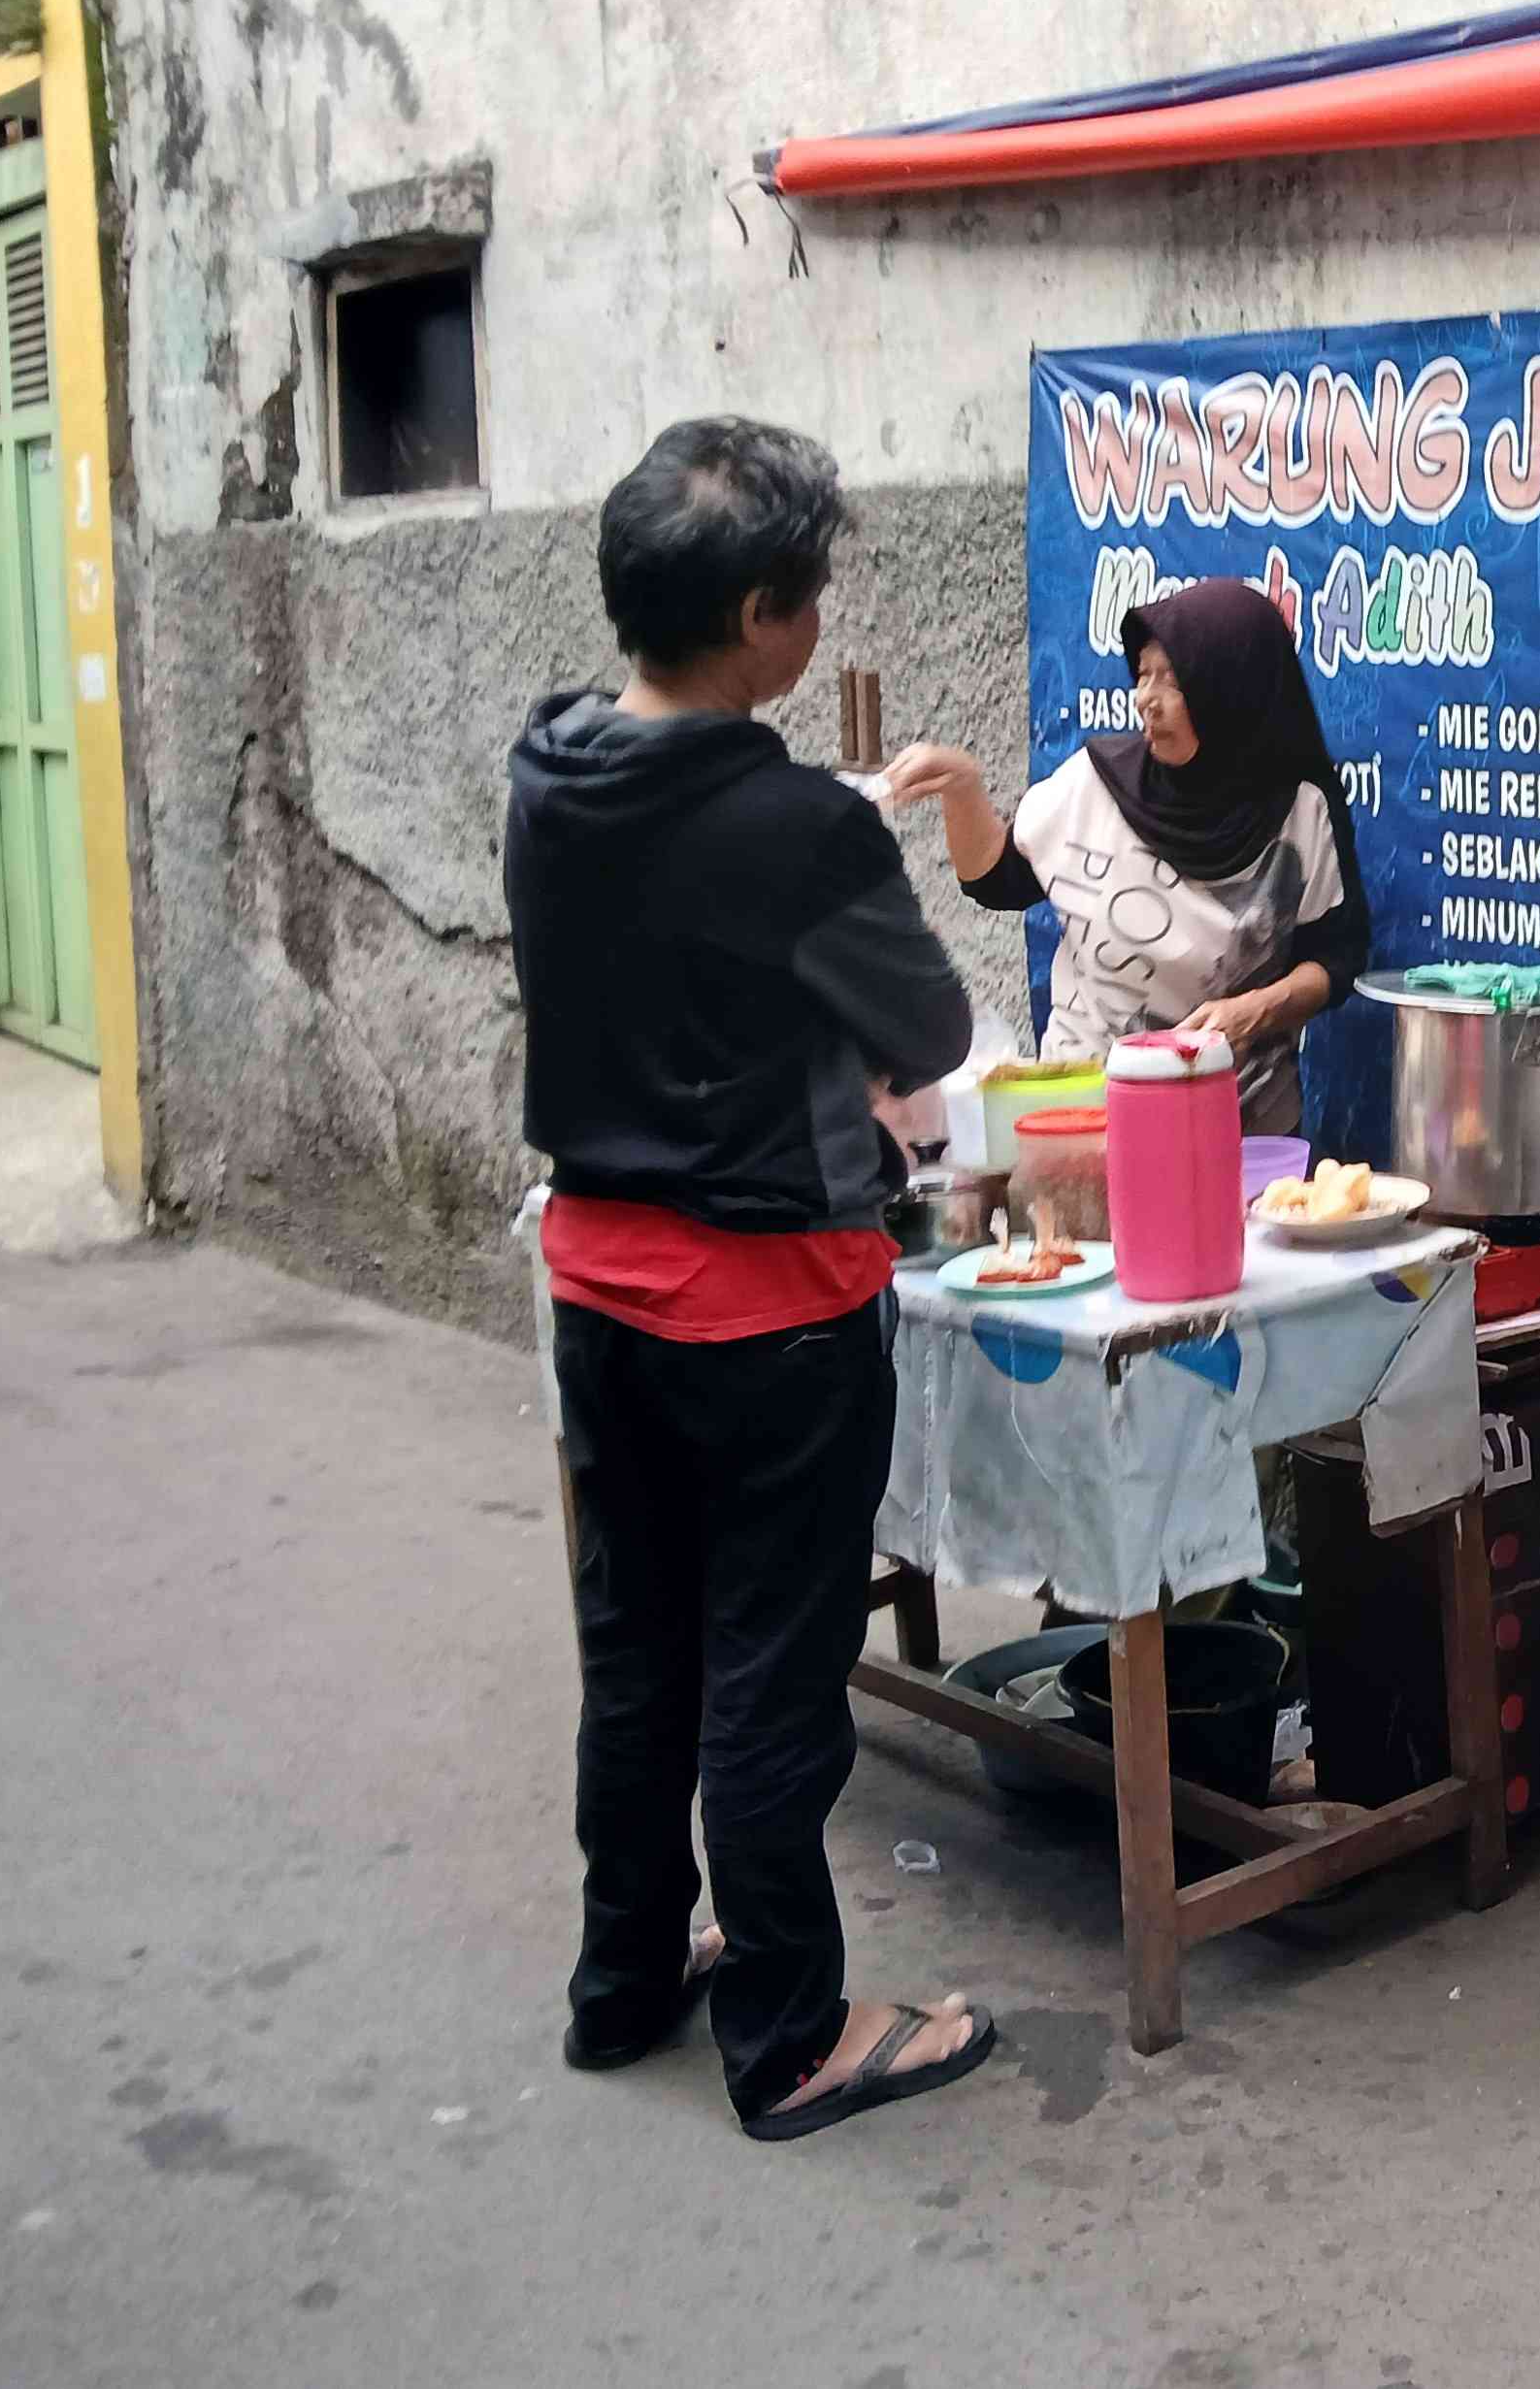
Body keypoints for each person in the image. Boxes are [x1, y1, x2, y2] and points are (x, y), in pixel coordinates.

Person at [505, 416, 1001, 2143]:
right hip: (765, 1309)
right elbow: (929, 1033)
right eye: (811, 595)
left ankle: (626, 1975)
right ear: (767, 617)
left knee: (636, 1650)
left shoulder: (548, 766)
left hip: (595, 1287)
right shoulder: (795, 825)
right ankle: (791, 2036)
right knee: (767, 1677)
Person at [877, 577, 1368, 1129]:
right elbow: (994, 880)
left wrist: (1255, 1011)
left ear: (1232, 690)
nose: (1147, 700)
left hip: (1240, 1125)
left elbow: (1336, 960)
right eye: (1142, 675)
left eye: (1173, 680)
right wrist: (963, 788)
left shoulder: (1303, 810)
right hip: (1088, 1117)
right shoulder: (1095, 783)